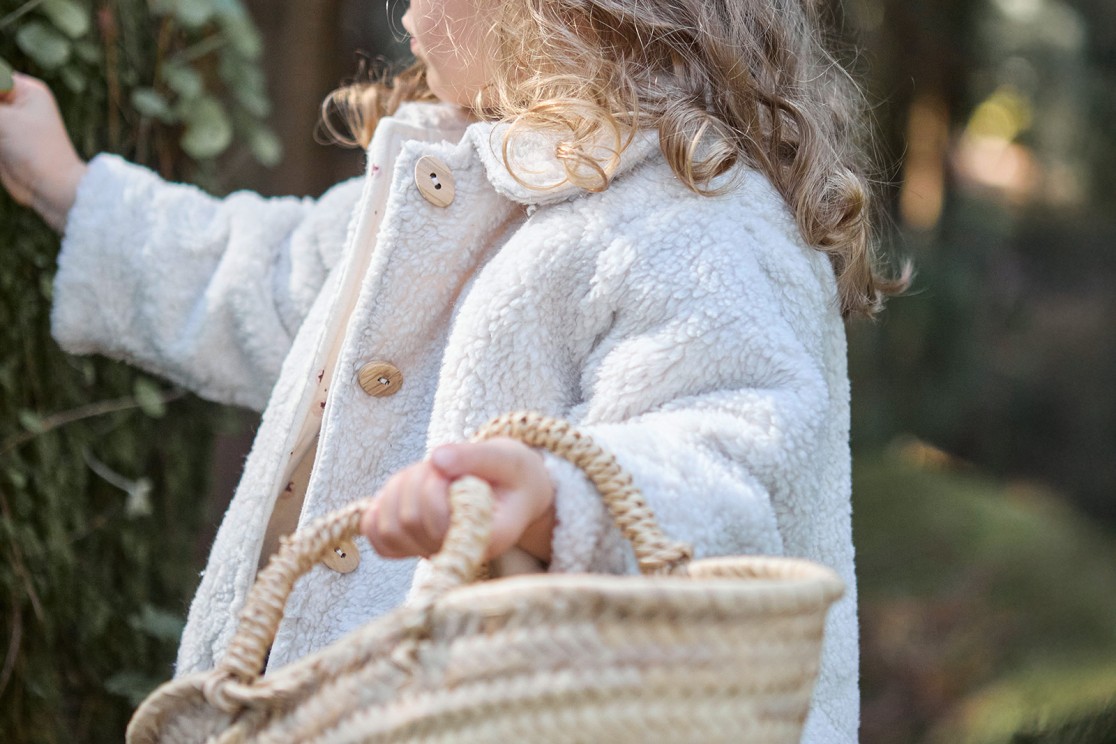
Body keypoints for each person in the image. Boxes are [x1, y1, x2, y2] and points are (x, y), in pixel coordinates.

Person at [0, 0, 905, 740]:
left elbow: (734, 449)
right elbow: (272, 277)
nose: (401, 12)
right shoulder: (466, 179)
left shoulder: (702, 217)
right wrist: (69, 188)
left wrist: (558, 497)